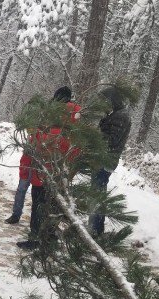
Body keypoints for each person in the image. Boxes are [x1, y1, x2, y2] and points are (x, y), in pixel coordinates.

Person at [17, 87, 81, 250]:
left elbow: (38, 141)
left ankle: (35, 239)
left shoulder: (50, 117)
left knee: (39, 204)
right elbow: (77, 147)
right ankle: (51, 237)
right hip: (62, 171)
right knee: (54, 204)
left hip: (44, 170)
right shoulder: (76, 119)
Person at [6, 86, 74, 225]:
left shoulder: (59, 119)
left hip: (41, 159)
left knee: (35, 193)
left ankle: (32, 225)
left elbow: (38, 136)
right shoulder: (72, 116)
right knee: (49, 194)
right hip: (50, 160)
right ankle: (52, 223)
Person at [89, 87, 131, 235]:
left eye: (104, 101)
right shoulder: (115, 114)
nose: (102, 105)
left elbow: (111, 140)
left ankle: (94, 230)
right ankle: (95, 228)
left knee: (97, 195)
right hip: (103, 159)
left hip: (105, 160)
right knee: (97, 193)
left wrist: (94, 135)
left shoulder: (120, 116)